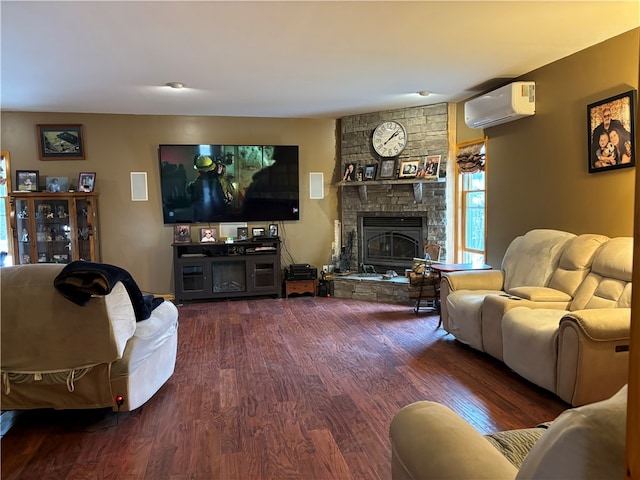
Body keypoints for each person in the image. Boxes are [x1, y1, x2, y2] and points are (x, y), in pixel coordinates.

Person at [186, 155, 228, 222]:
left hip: (200, 218)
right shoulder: (216, 182)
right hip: (215, 217)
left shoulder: (195, 183)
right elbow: (219, 202)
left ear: (199, 170)